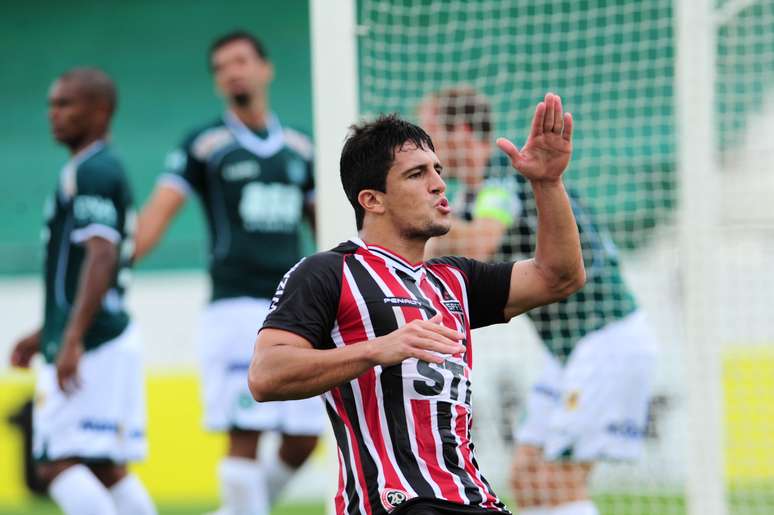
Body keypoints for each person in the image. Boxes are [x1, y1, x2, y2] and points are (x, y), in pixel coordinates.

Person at [249, 93, 586, 515]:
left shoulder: (455, 279)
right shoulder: (327, 273)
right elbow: (265, 375)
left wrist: (548, 184)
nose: (439, 183)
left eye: (438, 170)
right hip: (397, 503)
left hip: (472, 498)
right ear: (372, 200)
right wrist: (377, 349)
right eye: (417, 174)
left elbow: (560, 276)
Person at [419, 88, 658, 515]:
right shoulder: (480, 194)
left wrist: (426, 227)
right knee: (528, 480)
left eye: (432, 134)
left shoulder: (502, 180)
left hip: (606, 339)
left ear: (461, 133)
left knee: (558, 483)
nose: (426, 149)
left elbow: (478, 245)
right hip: (570, 349)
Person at [133, 31, 322, 514]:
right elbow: (156, 215)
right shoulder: (206, 144)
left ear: (266, 68)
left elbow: (325, 227)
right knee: (246, 430)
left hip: (295, 307)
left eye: (240, 61)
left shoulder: (300, 147)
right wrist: (119, 259)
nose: (232, 71)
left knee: (303, 437)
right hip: (236, 305)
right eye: (221, 67)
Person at [9, 68, 156, 515]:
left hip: (93, 342)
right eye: (52, 104)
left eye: (66, 104)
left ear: (100, 111)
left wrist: (70, 338)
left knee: (54, 462)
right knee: (106, 468)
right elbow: (84, 268)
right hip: (104, 335)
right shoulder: (92, 168)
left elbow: (102, 256)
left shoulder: (92, 170)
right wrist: (47, 329)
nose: (54, 114)